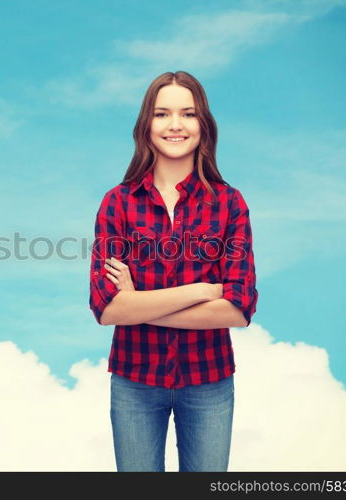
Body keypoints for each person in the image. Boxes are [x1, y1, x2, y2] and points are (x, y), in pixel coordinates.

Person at [88, 71, 259, 472]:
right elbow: (107, 309)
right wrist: (203, 289)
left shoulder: (230, 204)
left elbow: (238, 309)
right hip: (135, 381)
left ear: (204, 125)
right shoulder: (118, 203)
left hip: (209, 381)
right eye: (163, 114)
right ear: (146, 125)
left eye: (189, 113)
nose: (176, 125)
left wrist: (140, 305)